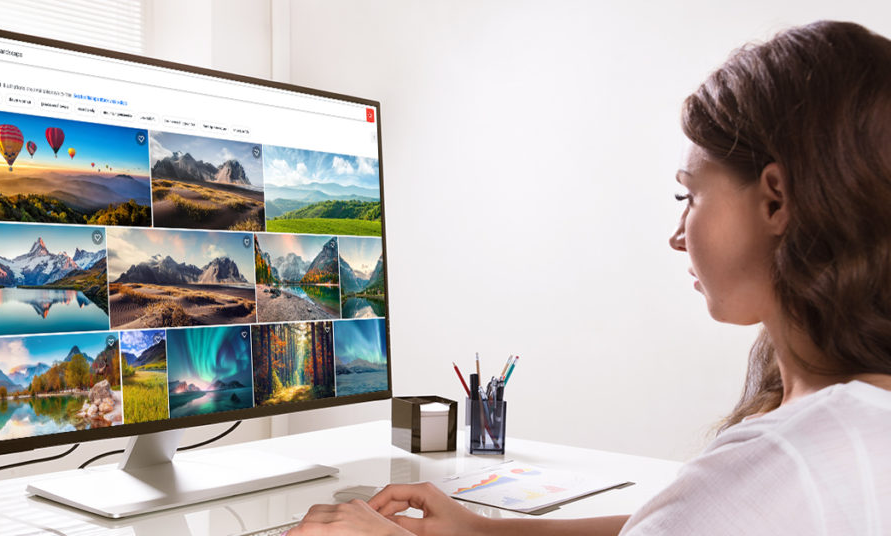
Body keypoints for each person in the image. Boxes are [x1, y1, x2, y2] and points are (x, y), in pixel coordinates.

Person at [287, 20, 891, 536]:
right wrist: (485, 528)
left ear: (775, 201)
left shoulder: (779, 466)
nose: (678, 234)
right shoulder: (852, 423)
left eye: (690, 196)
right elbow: (668, 519)